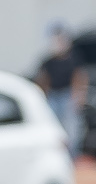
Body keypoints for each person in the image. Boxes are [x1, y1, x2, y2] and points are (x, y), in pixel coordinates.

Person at [35, 26, 83, 157]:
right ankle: (55, 155)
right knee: (52, 126)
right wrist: (44, 96)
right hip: (53, 95)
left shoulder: (72, 59)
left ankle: (73, 155)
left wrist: (78, 96)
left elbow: (78, 77)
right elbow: (43, 79)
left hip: (67, 95)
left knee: (72, 129)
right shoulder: (48, 61)